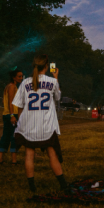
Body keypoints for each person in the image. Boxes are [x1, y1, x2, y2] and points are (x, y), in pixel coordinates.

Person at [12, 54, 67, 192]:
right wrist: (56, 77)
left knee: (29, 155)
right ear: (47, 66)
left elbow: (18, 105)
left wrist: (20, 121)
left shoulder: (25, 83)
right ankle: (64, 186)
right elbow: (58, 97)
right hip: (46, 126)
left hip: (29, 125)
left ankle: (32, 188)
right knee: (52, 154)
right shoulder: (52, 82)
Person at [0, 69, 23, 165]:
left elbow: (5, 102)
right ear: (14, 77)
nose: (21, 78)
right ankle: (14, 160)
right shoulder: (12, 87)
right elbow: (10, 102)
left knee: (6, 136)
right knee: (14, 137)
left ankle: (0, 160)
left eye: (21, 76)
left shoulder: (8, 86)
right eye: (19, 76)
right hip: (12, 114)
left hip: (6, 114)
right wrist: (12, 115)